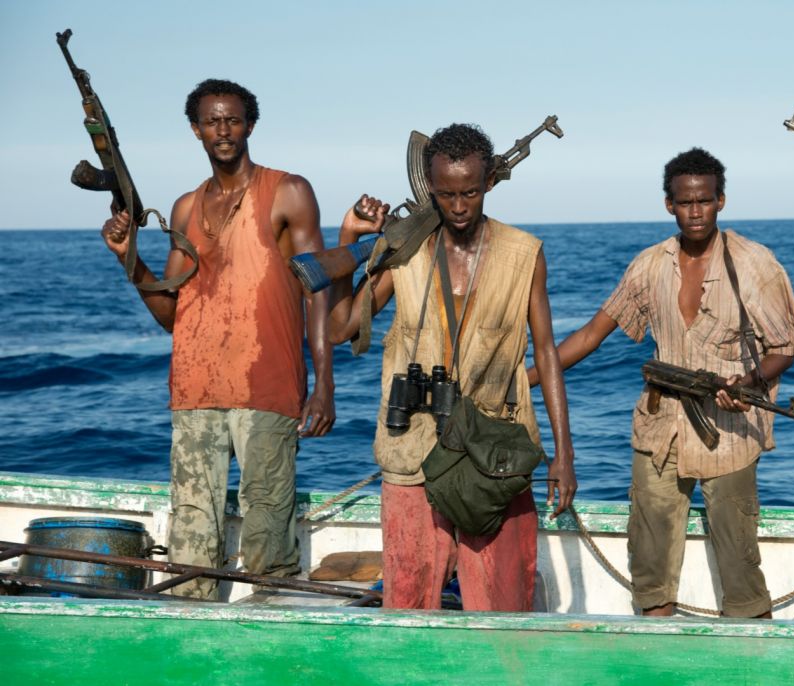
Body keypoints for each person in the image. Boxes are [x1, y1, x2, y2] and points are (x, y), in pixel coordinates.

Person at [527, 148, 794, 618]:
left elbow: (786, 347)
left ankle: (750, 654)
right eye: (686, 203)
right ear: (668, 205)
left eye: (705, 201)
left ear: (721, 201)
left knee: (739, 558)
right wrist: (523, 379)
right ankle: (657, 645)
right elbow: (592, 335)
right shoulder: (650, 265)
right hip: (658, 429)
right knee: (650, 561)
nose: (696, 212)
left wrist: (747, 381)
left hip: (730, 434)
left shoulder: (755, 265)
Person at [100, 79, 335, 599]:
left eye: (232, 120)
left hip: (266, 387)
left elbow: (319, 287)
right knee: (189, 542)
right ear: (196, 130)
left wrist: (324, 384)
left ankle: (271, 646)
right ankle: (191, 646)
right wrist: (128, 259)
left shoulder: (288, 191)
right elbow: (172, 315)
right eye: (212, 121)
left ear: (250, 125)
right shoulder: (185, 208)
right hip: (195, 390)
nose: (223, 130)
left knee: (269, 533)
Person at [328, 123, 577, 611]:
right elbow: (340, 326)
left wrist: (563, 454)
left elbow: (546, 352)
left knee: (504, 603)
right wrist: (348, 239)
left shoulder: (524, 253)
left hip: (496, 452)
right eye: (446, 195)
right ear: (430, 190)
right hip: (413, 449)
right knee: (408, 600)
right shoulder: (404, 250)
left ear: (488, 184)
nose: (459, 206)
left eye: (469, 192)